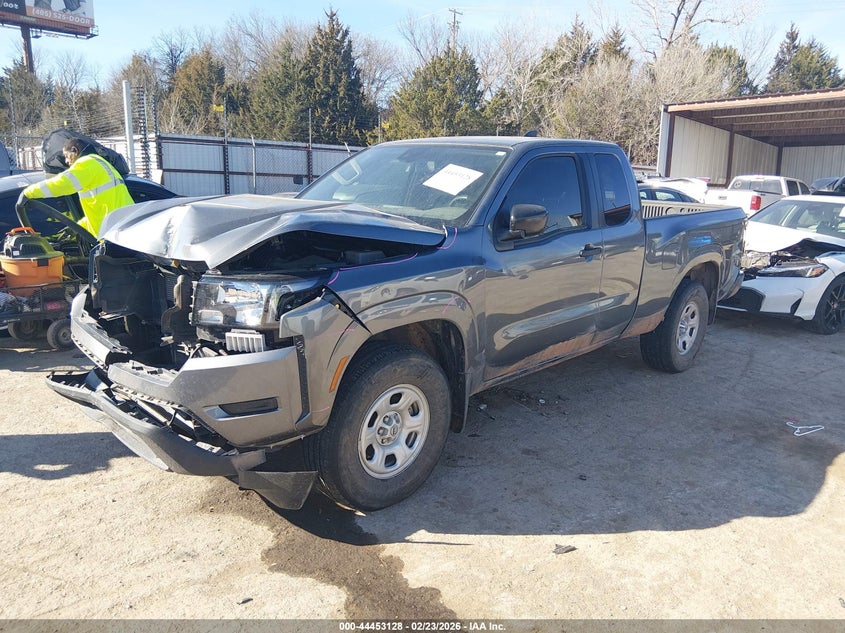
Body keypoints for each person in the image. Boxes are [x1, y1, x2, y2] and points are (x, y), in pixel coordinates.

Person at [21, 137, 135, 237]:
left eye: (66, 156)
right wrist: (76, 228)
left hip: (113, 233)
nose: (66, 161)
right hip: (122, 229)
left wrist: (28, 192)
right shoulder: (99, 162)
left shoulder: (85, 163)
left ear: (74, 150)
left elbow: (61, 184)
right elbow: (100, 210)